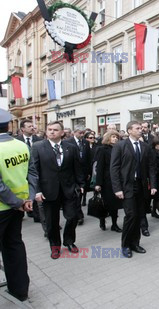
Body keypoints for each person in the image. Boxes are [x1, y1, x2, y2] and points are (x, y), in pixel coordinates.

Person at [32, 121, 85, 259]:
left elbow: (77, 168)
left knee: (72, 216)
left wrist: (81, 185)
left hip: (69, 188)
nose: (51, 132)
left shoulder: (71, 147)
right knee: (52, 221)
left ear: (62, 133)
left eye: (55, 130)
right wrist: (37, 191)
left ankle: (69, 241)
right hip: (48, 190)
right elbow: (34, 171)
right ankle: (55, 246)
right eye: (49, 129)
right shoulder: (38, 147)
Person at [0, 109, 37, 302]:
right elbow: (32, 174)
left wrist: (18, 202)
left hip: (5, 207)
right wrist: (27, 199)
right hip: (19, 207)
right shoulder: (21, 145)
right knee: (14, 246)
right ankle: (20, 290)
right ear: (9, 126)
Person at [110, 121, 157, 258]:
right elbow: (114, 169)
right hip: (126, 187)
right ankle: (125, 245)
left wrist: (153, 185)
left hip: (141, 186)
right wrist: (117, 188)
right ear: (129, 130)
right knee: (130, 216)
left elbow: (151, 168)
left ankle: (135, 243)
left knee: (139, 215)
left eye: (141, 128)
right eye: (137, 128)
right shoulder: (120, 146)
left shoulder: (145, 146)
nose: (141, 130)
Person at [94, 131, 122, 233]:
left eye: (117, 137)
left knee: (115, 204)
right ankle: (102, 220)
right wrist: (98, 183)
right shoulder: (102, 149)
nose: (115, 139)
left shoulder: (119, 148)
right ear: (108, 138)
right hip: (106, 181)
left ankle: (114, 224)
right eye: (113, 137)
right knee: (105, 203)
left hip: (116, 180)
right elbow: (99, 167)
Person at [64, 126, 91, 221]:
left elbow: (88, 158)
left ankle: (78, 213)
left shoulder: (85, 142)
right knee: (74, 194)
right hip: (72, 172)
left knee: (80, 193)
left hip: (82, 172)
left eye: (83, 133)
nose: (82, 135)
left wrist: (88, 172)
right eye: (80, 133)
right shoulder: (67, 142)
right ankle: (78, 215)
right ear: (74, 132)